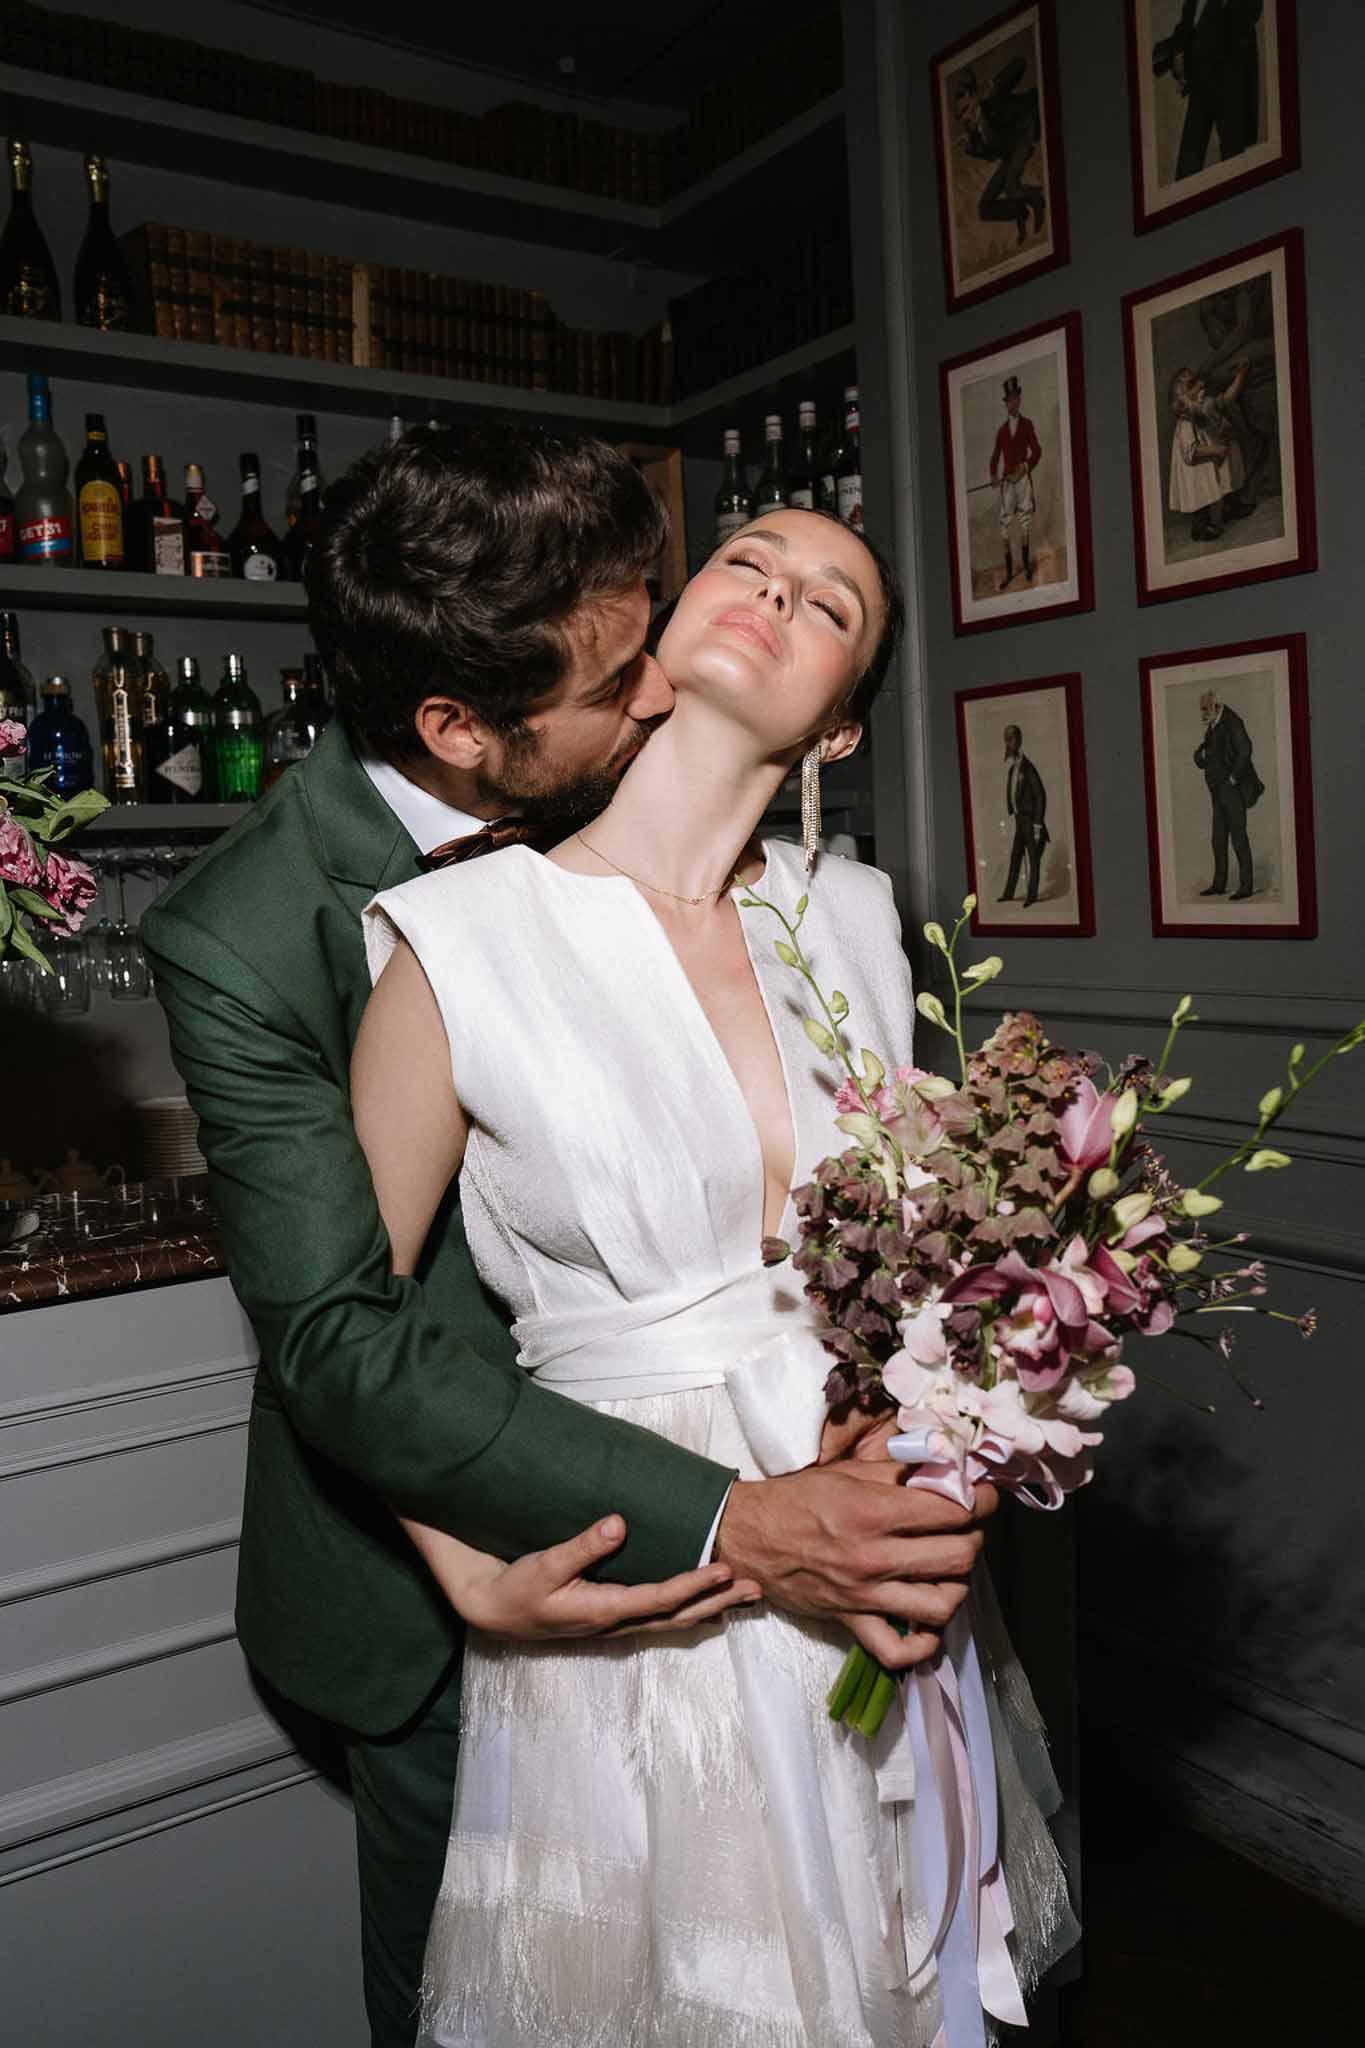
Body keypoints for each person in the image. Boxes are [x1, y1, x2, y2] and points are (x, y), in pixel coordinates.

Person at [144, 428, 1000, 2048]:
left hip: (798, 1526)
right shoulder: (250, 935)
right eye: (627, 680)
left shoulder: (804, 888)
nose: (668, 688)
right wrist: (477, 1554)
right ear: (463, 729)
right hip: (448, 1569)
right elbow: (336, 1324)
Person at [355, 505, 1078, 2045]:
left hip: (873, 1530)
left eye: (831, 603)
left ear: (837, 723)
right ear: (662, 633)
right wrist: (470, 1570)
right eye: (746, 561)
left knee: (897, 1966)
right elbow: (344, 1336)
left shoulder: (863, 924)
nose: (775, 592)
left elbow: (936, 1254)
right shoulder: (457, 937)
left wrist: (948, 1441)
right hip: (628, 1561)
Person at [1153, 0, 1263, 183]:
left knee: (1236, 165)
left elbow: (1251, 12)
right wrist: (1178, 54)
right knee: (1186, 171)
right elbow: (1186, 28)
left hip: (1230, 89)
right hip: (1200, 88)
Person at [951, 57, 1046, 250]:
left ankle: (1038, 198)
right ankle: (1020, 211)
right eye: (961, 115)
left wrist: (995, 83)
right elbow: (991, 155)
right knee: (984, 207)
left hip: (1024, 135)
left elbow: (1020, 64)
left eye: (966, 109)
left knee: (1012, 187)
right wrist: (969, 146)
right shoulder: (975, 134)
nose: (965, 117)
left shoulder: (994, 99)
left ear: (974, 97)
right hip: (1009, 155)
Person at [1168, 362, 1255, 544]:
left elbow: (1227, 399)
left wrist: (1240, 374)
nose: (1201, 389)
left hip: (1208, 456)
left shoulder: (1203, 407)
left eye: (1200, 386)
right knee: (1202, 493)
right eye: (1193, 387)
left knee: (1228, 462)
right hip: (1194, 465)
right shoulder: (1185, 422)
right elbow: (1190, 452)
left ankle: (1229, 507)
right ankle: (1200, 528)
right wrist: (1216, 450)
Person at [1195, 687, 1261, 899]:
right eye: (1202, 709)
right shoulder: (1213, 724)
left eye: (1205, 709)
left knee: (1238, 837)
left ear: (1215, 706)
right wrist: (1201, 754)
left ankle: (1246, 887)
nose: (1203, 714)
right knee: (1218, 839)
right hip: (1217, 792)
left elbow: (1246, 749)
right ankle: (1219, 885)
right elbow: (1201, 756)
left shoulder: (1232, 721)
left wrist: (1233, 778)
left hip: (1231, 791)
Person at [990, 375, 1042, 588]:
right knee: (1004, 524)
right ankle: (1010, 571)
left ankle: (1027, 568)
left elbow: (1037, 451)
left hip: (1022, 481)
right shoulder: (1002, 431)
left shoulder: (1027, 424)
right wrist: (993, 475)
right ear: (1006, 403)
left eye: (1015, 398)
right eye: (1009, 400)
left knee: (1025, 522)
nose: (1012, 403)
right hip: (1008, 484)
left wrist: (1025, 467)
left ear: (1019, 400)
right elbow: (994, 457)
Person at [998, 721, 1048, 907]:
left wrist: (1037, 824)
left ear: (1018, 740)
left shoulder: (1028, 768)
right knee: (1015, 856)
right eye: (1006, 740)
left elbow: (1040, 795)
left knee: (1033, 859)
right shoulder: (1013, 769)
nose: (1007, 744)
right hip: (1020, 820)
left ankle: (1032, 896)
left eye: (1010, 739)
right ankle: (1009, 894)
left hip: (1030, 820)